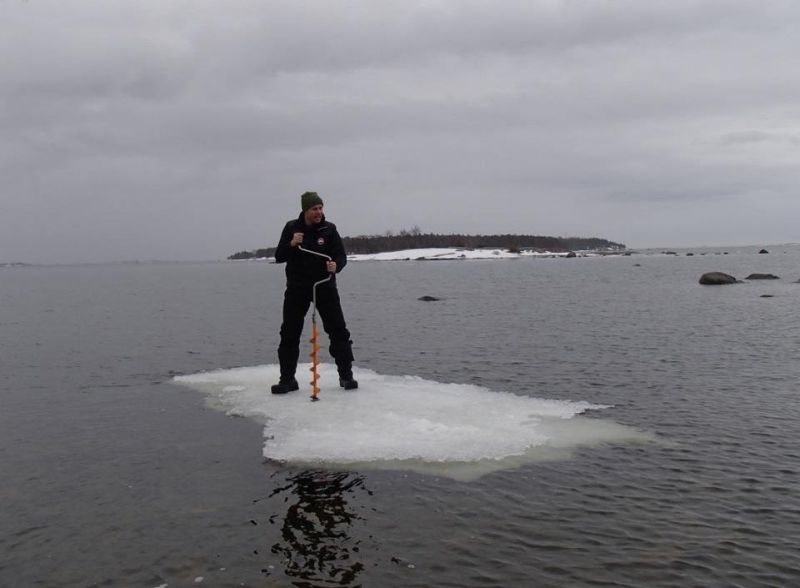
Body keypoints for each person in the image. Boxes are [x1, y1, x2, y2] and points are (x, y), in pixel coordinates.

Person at [271, 191, 358, 394]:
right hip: (297, 288)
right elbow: (279, 256)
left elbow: (340, 256)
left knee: (338, 331)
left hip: (324, 287)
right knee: (289, 333)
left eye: (320, 208)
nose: (319, 212)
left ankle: (346, 376)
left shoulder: (329, 229)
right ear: (305, 210)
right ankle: (287, 380)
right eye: (314, 209)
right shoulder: (291, 228)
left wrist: (336, 266)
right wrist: (291, 244)